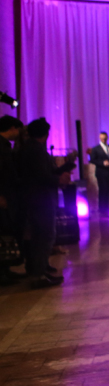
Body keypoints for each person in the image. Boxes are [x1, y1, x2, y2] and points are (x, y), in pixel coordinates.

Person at [18, 118, 76, 287]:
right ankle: (38, 275)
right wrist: (59, 179)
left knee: (39, 236)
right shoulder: (36, 150)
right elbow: (41, 177)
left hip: (34, 198)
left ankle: (39, 271)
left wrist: (63, 169)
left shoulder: (27, 148)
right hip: (41, 198)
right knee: (45, 235)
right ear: (45, 133)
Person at [0, 116, 24, 285]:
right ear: (11, 128)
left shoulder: (5, 145)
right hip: (3, 195)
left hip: (8, 194)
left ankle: (5, 270)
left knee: (6, 231)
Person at [90, 131, 109, 217]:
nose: (104, 140)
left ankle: (107, 208)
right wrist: (103, 163)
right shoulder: (96, 149)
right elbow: (92, 160)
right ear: (100, 138)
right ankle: (102, 209)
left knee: (108, 190)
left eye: (105, 138)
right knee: (103, 190)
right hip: (101, 172)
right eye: (102, 138)